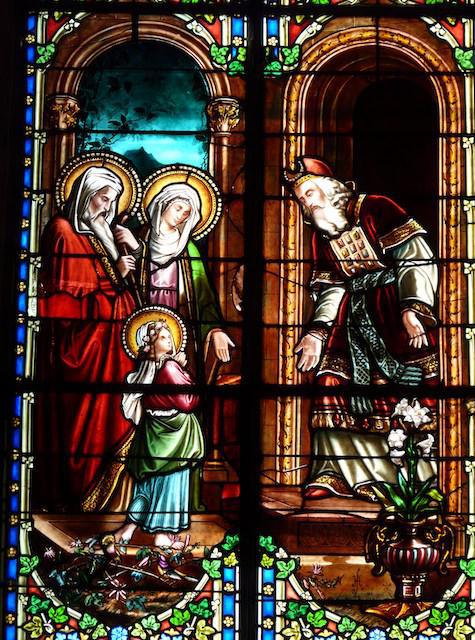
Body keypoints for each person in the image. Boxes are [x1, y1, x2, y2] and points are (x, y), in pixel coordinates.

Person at [284, 156, 438, 501]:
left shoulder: (376, 208)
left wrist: (413, 307)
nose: (306, 204)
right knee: (330, 382)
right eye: (301, 200)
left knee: (407, 388)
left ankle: (409, 478)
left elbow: (415, 257)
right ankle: (336, 473)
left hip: (393, 310)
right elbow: (332, 288)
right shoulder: (323, 234)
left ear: (330, 188)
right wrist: (317, 332)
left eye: (309, 193)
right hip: (351, 318)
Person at [35, 164, 138, 512]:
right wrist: (117, 277)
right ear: (84, 195)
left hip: (111, 346)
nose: (107, 207)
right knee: (83, 423)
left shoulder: (97, 231)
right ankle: (78, 494)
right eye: (102, 199)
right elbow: (65, 304)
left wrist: (126, 254)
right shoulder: (64, 231)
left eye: (112, 201)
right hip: (85, 350)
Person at [113, 182, 235, 376]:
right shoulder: (137, 237)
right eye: (178, 208)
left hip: (180, 326)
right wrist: (135, 250)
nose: (181, 215)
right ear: (164, 203)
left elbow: (204, 298)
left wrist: (215, 330)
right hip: (141, 325)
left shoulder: (188, 250)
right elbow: (124, 284)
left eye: (187, 213)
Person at [113, 317, 204, 549]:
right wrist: (182, 371)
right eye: (163, 337)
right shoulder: (170, 367)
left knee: (147, 485)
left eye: (169, 336)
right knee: (170, 481)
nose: (170, 341)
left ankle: (127, 530)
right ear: (152, 344)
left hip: (152, 433)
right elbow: (187, 402)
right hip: (174, 437)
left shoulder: (148, 368)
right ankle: (162, 535)